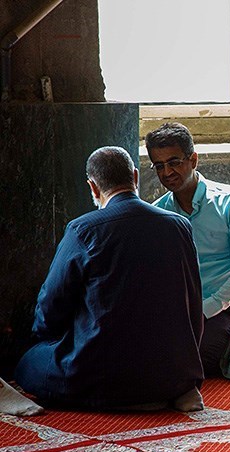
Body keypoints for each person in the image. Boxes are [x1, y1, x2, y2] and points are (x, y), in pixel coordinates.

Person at [8, 147, 205, 414]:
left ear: (93, 187)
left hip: (99, 380)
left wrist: (47, 338)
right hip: (172, 375)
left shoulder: (83, 229)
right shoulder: (179, 225)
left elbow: (52, 303)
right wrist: (186, 365)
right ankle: (175, 391)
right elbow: (194, 304)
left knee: (27, 362)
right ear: (135, 177)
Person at [145, 123, 230, 378]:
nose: (167, 172)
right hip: (180, 313)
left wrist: (203, 310)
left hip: (226, 311)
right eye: (159, 166)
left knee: (188, 352)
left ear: (193, 160)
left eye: (174, 162)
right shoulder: (158, 213)